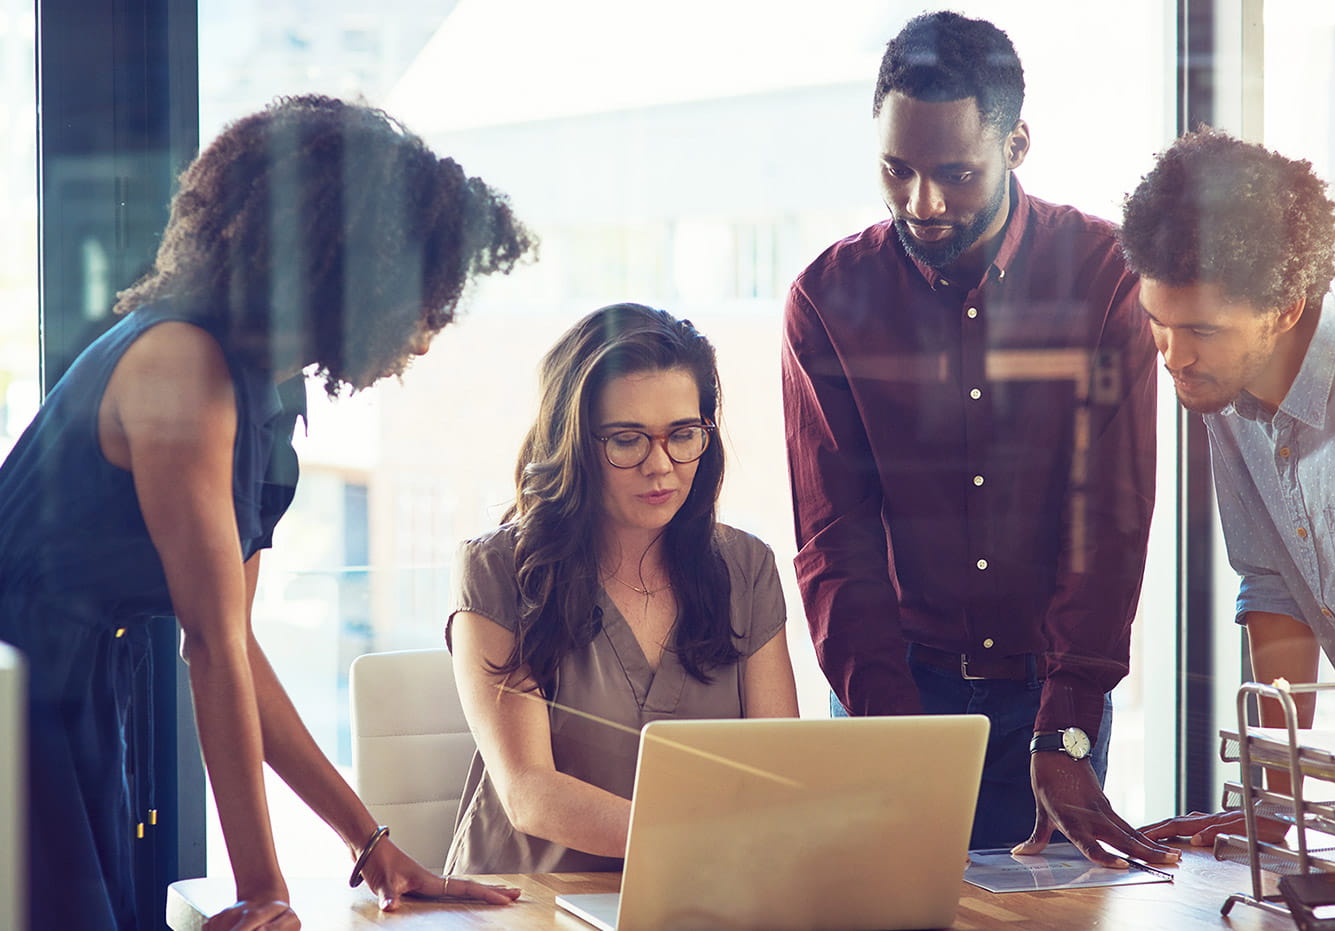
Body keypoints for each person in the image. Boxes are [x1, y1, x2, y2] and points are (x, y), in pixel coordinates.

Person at [0, 95, 536, 931]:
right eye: (424, 290)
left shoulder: (266, 390)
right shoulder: (183, 365)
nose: (433, 326)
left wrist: (372, 844)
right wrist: (264, 892)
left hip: (76, 695)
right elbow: (209, 646)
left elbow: (235, 641)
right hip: (15, 694)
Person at [781, 11, 1177, 866]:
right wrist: (895, 740)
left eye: (956, 173)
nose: (923, 201)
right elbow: (832, 543)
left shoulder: (1105, 278)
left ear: (1017, 144)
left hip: (1049, 697)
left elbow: (1106, 518)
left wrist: (1068, 722)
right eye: (897, 169)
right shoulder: (826, 299)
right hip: (893, 687)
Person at [445, 302, 799, 874]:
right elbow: (528, 792)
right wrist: (712, 840)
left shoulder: (746, 566)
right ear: (574, 442)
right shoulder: (499, 569)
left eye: (683, 434)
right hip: (530, 902)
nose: (661, 466)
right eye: (627, 440)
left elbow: (776, 771)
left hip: (694, 899)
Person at [1119, 129, 1335, 846]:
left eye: (1202, 329)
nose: (1174, 357)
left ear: (1282, 307)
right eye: (1158, 322)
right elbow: (1276, 589)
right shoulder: (1225, 392)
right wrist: (1276, 812)